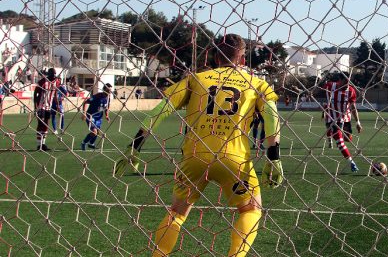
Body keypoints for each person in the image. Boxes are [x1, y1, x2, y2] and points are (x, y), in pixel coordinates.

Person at [114, 34, 283, 257]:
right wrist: (274, 157)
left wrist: (135, 146)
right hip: (234, 159)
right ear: (242, 59)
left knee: (178, 212)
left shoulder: (196, 79)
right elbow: (271, 118)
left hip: (195, 156)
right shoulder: (257, 83)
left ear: (213, 56)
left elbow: (160, 111)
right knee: (251, 209)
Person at [323, 75, 362, 172]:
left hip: (346, 118)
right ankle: (351, 163)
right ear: (339, 80)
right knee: (340, 142)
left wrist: (357, 122)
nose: (348, 84)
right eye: (345, 81)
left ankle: (337, 138)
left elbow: (353, 107)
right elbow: (314, 90)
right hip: (333, 119)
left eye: (349, 82)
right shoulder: (329, 86)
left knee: (348, 139)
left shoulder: (351, 90)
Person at [33, 68, 61, 151]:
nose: (54, 76)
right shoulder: (42, 81)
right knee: (40, 124)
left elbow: (55, 94)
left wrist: (58, 105)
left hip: (49, 106)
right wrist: (35, 106)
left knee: (46, 125)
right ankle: (39, 145)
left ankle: (43, 144)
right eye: (53, 74)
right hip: (41, 106)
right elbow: (36, 93)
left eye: (55, 74)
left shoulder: (57, 82)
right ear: (49, 74)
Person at [81, 84, 112, 150]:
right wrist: (84, 113)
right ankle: (84, 142)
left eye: (110, 90)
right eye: (108, 90)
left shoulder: (108, 98)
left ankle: (91, 144)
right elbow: (86, 102)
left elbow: (107, 108)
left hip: (99, 118)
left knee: (97, 132)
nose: (109, 92)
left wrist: (107, 115)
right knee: (94, 132)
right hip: (91, 116)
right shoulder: (97, 96)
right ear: (104, 89)